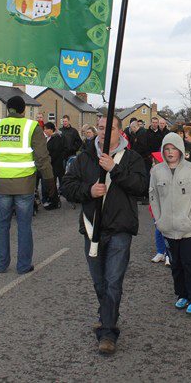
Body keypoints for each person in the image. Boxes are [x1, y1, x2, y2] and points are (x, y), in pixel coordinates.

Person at [61, 114, 148, 355]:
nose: (103, 132)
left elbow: (141, 187)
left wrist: (114, 170)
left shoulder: (132, 158)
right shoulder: (84, 157)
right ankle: (107, 313)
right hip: (93, 229)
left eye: (108, 128)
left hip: (120, 228)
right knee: (100, 282)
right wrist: (88, 191)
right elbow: (66, 186)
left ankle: (108, 332)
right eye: (100, 127)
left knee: (113, 281)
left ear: (120, 132)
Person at [0, 96, 55, 274]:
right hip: (25, 184)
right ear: (23, 110)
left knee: (1, 225)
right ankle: (23, 266)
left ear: (8, 109)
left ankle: (1, 264)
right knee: (24, 226)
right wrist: (49, 180)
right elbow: (42, 157)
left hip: (2, 183)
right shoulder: (32, 127)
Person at [150, 132, 191, 315]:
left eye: (173, 148)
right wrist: (159, 220)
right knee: (176, 264)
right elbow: (153, 197)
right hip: (167, 228)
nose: (170, 152)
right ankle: (182, 294)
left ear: (180, 150)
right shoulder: (156, 171)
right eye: (167, 149)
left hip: (188, 229)